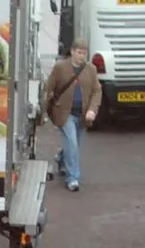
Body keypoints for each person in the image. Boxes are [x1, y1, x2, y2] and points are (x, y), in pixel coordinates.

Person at [41, 38, 101, 192]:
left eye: (84, 53)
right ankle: (72, 178)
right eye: (79, 53)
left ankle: (61, 159)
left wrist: (92, 110)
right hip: (64, 113)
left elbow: (96, 91)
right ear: (72, 51)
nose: (82, 56)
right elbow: (49, 89)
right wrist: (43, 111)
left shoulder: (91, 69)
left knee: (74, 145)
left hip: (82, 115)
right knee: (72, 143)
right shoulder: (60, 68)